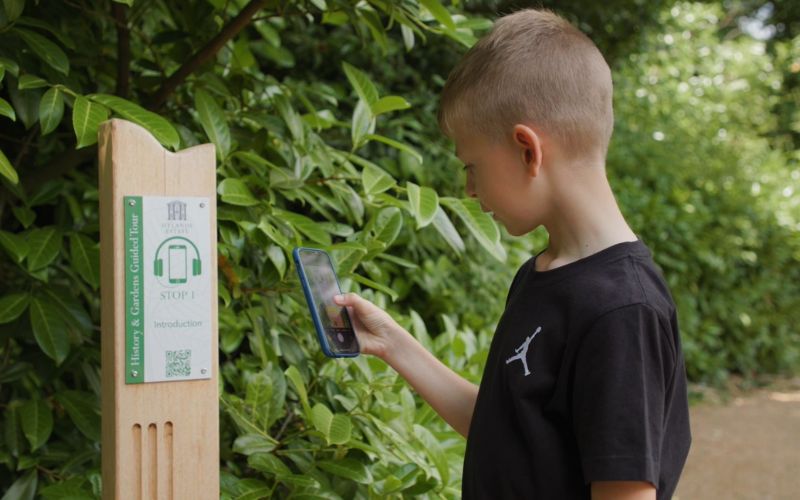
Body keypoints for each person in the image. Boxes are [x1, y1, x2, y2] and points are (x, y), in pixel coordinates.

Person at [333, 8, 691, 500]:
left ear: (528, 150)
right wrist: (393, 344)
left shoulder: (622, 311)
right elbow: (508, 430)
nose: (470, 190)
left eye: (473, 166)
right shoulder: (542, 275)